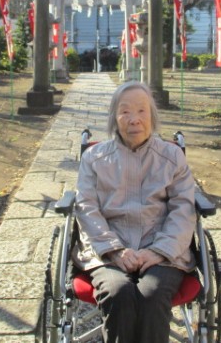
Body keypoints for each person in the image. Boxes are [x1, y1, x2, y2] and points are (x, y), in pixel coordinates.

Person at [73, 81, 196, 343]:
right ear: (114, 117)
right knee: (118, 292)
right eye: (125, 111)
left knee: (152, 294)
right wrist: (114, 250)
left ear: (152, 115)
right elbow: (86, 207)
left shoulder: (172, 157)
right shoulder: (93, 158)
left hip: (163, 250)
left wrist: (160, 250)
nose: (134, 119)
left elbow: (183, 208)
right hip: (107, 251)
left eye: (142, 110)